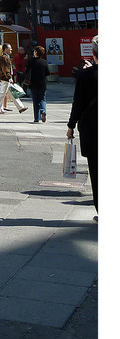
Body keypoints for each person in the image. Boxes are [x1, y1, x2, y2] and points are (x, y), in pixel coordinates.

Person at [67, 36, 97, 216]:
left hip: (92, 130)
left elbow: (77, 103)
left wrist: (71, 125)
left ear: (93, 53)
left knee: (97, 171)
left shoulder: (85, 75)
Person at [0, 43, 26, 114]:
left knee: (11, 93)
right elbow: (6, 69)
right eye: (10, 48)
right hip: (5, 79)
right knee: (3, 93)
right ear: (5, 49)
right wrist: (9, 78)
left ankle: (20, 107)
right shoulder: (5, 58)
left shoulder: (5, 57)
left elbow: (0, 68)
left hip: (4, 78)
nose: (11, 49)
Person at [26, 46, 50, 123]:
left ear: (36, 52)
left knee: (35, 101)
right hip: (42, 84)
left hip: (33, 83)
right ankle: (43, 110)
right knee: (42, 99)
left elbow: (27, 71)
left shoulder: (31, 61)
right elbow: (47, 73)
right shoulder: (44, 62)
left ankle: (36, 118)